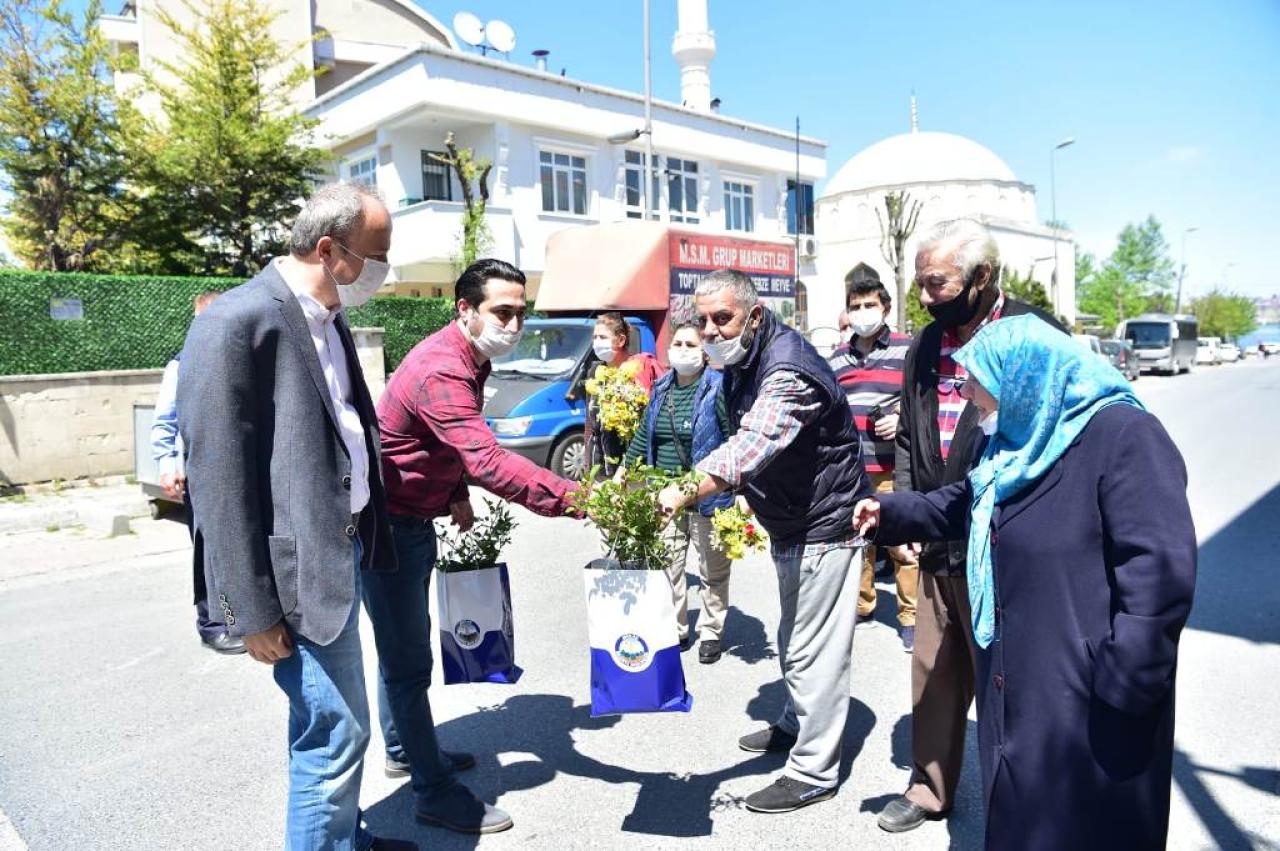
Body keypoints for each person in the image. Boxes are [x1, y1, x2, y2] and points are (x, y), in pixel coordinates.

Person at [853, 314, 1196, 851]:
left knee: (1088, 826)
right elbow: (965, 502)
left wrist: (1124, 683)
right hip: (1021, 678)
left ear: (1026, 376)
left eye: (978, 380)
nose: (967, 393)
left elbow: (1158, 575)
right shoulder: (1018, 441)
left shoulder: (1124, 437)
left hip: (1092, 692)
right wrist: (889, 512)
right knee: (1023, 818)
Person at [179, 182, 416, 851]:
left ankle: (345, 836)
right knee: (337, 731)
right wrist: (249, 611)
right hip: (294, 577)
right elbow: (217, 481)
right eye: (377, 252)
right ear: (328, 248)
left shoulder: (328, 316)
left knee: (328, 726)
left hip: (341, 554)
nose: (384, 267)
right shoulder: (235, 322)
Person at [372, 258, 581, 835]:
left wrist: (454, 490)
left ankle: (404, 750)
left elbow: (440, 440)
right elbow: (485, 456)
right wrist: (578, 500)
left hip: (410, 514)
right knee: (408, 662)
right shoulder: (445, 367)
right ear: (465, 309)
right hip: (388, 526)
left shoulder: (469, 357)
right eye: (503, 312)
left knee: (401, 652)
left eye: (521, 312)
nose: (515, 325)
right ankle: (433, 791)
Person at [876, 218, 1066, 834]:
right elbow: (909, 433)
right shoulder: (928, 344)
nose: (927, 297)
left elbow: (1056, 440)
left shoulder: (1035, 335)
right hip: (935, 537)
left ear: (983, 277)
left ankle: (1022, 801)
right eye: (922, 285)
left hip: (1003, 543)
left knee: (1011, 681)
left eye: (938, 283)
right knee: (933, 669)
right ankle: (930, 787)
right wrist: (905, 509)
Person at [656, 270, 871, 814]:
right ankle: (797, 722)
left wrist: (687, 489)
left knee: (811, 649)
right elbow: (732, 434)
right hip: (792, 519)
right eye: (702, 320)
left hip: (827, 522)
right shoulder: (741, 360)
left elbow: (754, 441)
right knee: (793, 633)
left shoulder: (787, 368)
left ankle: (813, 770)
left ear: (753, 316)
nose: (709, 331)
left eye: (721, 319)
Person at [622, 320, 734, 664]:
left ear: (704, 352)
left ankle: (712, 631)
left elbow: (733, 441)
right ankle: (677, 628)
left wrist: (739, 490)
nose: (682, 351)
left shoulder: (718, 388)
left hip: (706, 493)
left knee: (712, 570)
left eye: (690, 345)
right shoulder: (661, 388)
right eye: (678, 344)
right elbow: (644, 434)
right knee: (668, 564)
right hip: (664, 493)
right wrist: (621, 475)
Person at [827, 272, 918, 651]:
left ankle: (911, 616)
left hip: (893, 466)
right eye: (856, 306)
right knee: (859, 540)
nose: (862, 312)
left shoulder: (907, 350)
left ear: (885, 308)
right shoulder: (837, 357)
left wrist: (902, 419)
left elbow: (922, 401)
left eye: (870, 305)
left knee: (901, 545)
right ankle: (863, 605)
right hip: (852, 467)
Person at [150, 290, 244, 654]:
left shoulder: (233, 358)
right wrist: (167, 464)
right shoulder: (182, 363)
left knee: (235, 548)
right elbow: (165, 419)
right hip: (199, 473)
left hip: (233, 473)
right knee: (208, 549)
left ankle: (238, 618)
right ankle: (211, 623)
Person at [581, 312, 662, 475]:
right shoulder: (595, 372)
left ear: (621, 340)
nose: (597, 343)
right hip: (602, 467)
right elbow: (590, 424)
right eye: (595, 337)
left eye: (602, 337)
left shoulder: (639, 369)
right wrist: (587, 462)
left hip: (633, 468)